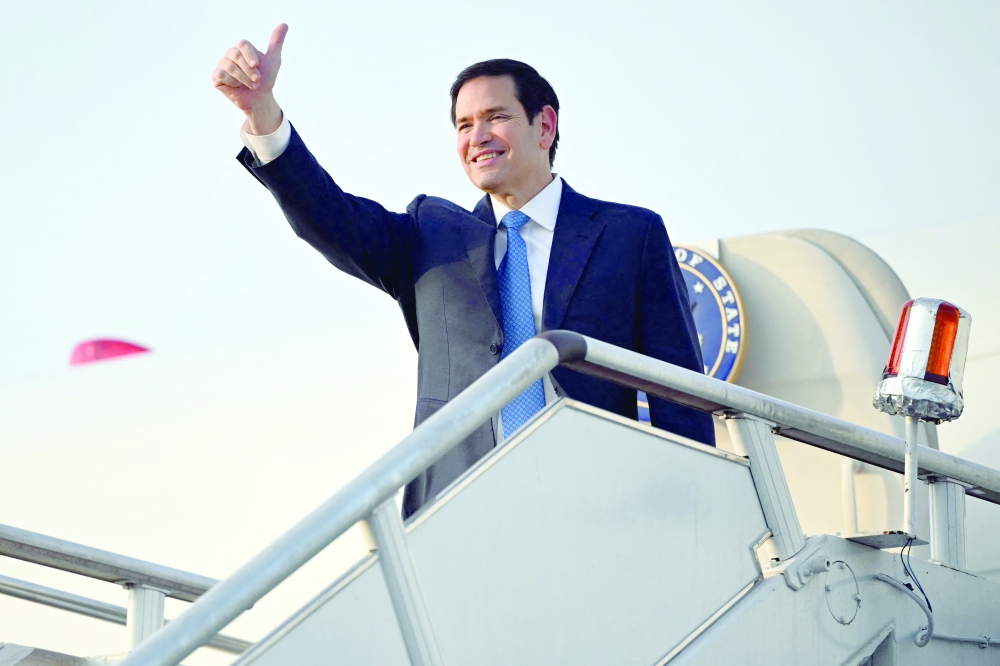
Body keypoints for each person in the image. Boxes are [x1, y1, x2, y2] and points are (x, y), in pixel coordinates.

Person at [213, 24, 715, 518]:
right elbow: (329, 214)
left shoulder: (630, 234)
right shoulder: (429, 238)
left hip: (598, 504)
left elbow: (679, 392)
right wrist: (261, 112)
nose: (477, 137)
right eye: (463, 124)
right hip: (458, 509)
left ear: (545, 126)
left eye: (495, 117)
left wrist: (686, 511)